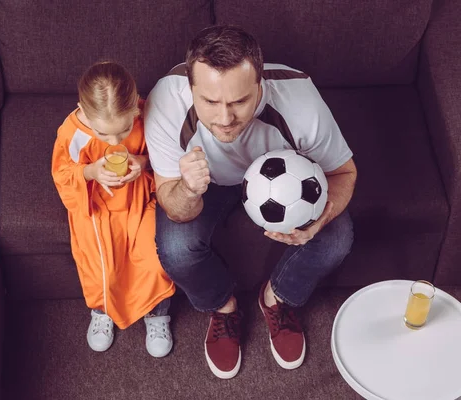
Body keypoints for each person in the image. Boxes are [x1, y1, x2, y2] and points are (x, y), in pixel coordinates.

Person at [144, 26, 356, 378]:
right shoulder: (165, 102)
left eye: (239, 101)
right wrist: (188, 189)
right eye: (210, 102)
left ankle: (278, 297)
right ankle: (223, 307)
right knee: (175, 249)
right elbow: (173, 203)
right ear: (191, 88)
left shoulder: (299, 99)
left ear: (260, 84)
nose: (225, 118)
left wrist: (321, 219)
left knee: (337, 237)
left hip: (281, 190)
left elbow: (344, 173)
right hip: (204, 185)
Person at [52, 61, 175, 358]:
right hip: (97, 206)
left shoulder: (148, 117)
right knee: (99, 262)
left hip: (140, 198)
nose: (115, 142)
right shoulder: (72, 132)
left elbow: (166, 157)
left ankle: (157, 314)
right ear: (83, 109)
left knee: (155, 257)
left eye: (123, 131)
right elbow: (62, 173)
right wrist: (90, 172)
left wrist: (143, 164)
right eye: (104, 134)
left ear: (134, 106)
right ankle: (102, 310)